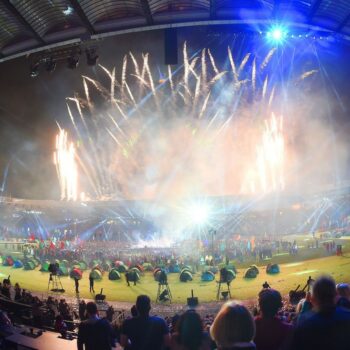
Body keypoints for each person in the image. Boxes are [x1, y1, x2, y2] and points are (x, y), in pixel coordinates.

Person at [290, 276, 350, 350]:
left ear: (313, 298)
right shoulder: (347, 315)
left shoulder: (304, 321)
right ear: (335, 295)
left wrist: (306, 303)